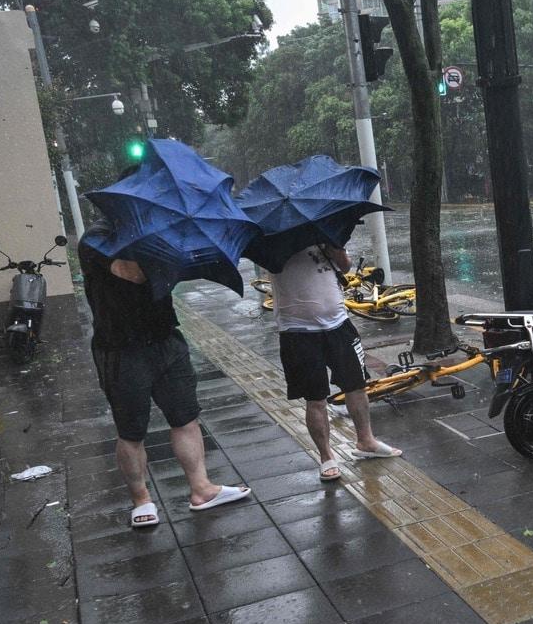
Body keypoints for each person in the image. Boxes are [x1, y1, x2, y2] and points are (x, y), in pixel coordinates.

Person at [79, 218, 250, 529]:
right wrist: (167, 251)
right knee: (131, 430)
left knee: (185, 417)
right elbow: (132, 273)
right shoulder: (97, 239)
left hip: (165, 340)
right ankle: (141, 499)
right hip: (120, 349)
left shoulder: (158, 235)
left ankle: (201, 489)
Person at [270, 244, 399, 480]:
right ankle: (326, 456)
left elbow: (345, 265)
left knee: (356, 386)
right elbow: (273, 265)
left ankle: (366, 440)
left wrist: (335, 248)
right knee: (315, 397)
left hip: (339, 324)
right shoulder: (273, 240)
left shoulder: (324, 230)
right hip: (298, 332)